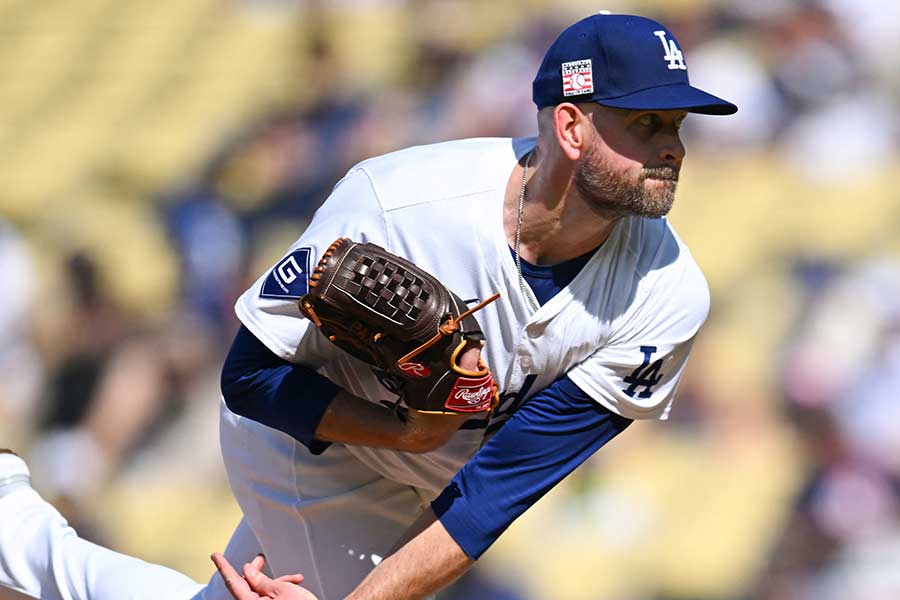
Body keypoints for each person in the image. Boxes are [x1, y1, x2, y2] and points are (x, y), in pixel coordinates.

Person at [0, 12, 736, 600]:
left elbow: (496, 492)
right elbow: (249, 379)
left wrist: (421, 443)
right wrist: (404, 432)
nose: (671, 147)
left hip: (438, 479)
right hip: (308, 438)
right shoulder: (402, 205)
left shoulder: (666, 296)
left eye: (675, 125)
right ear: (572, 128)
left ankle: (11, 520)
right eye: (646, 124)